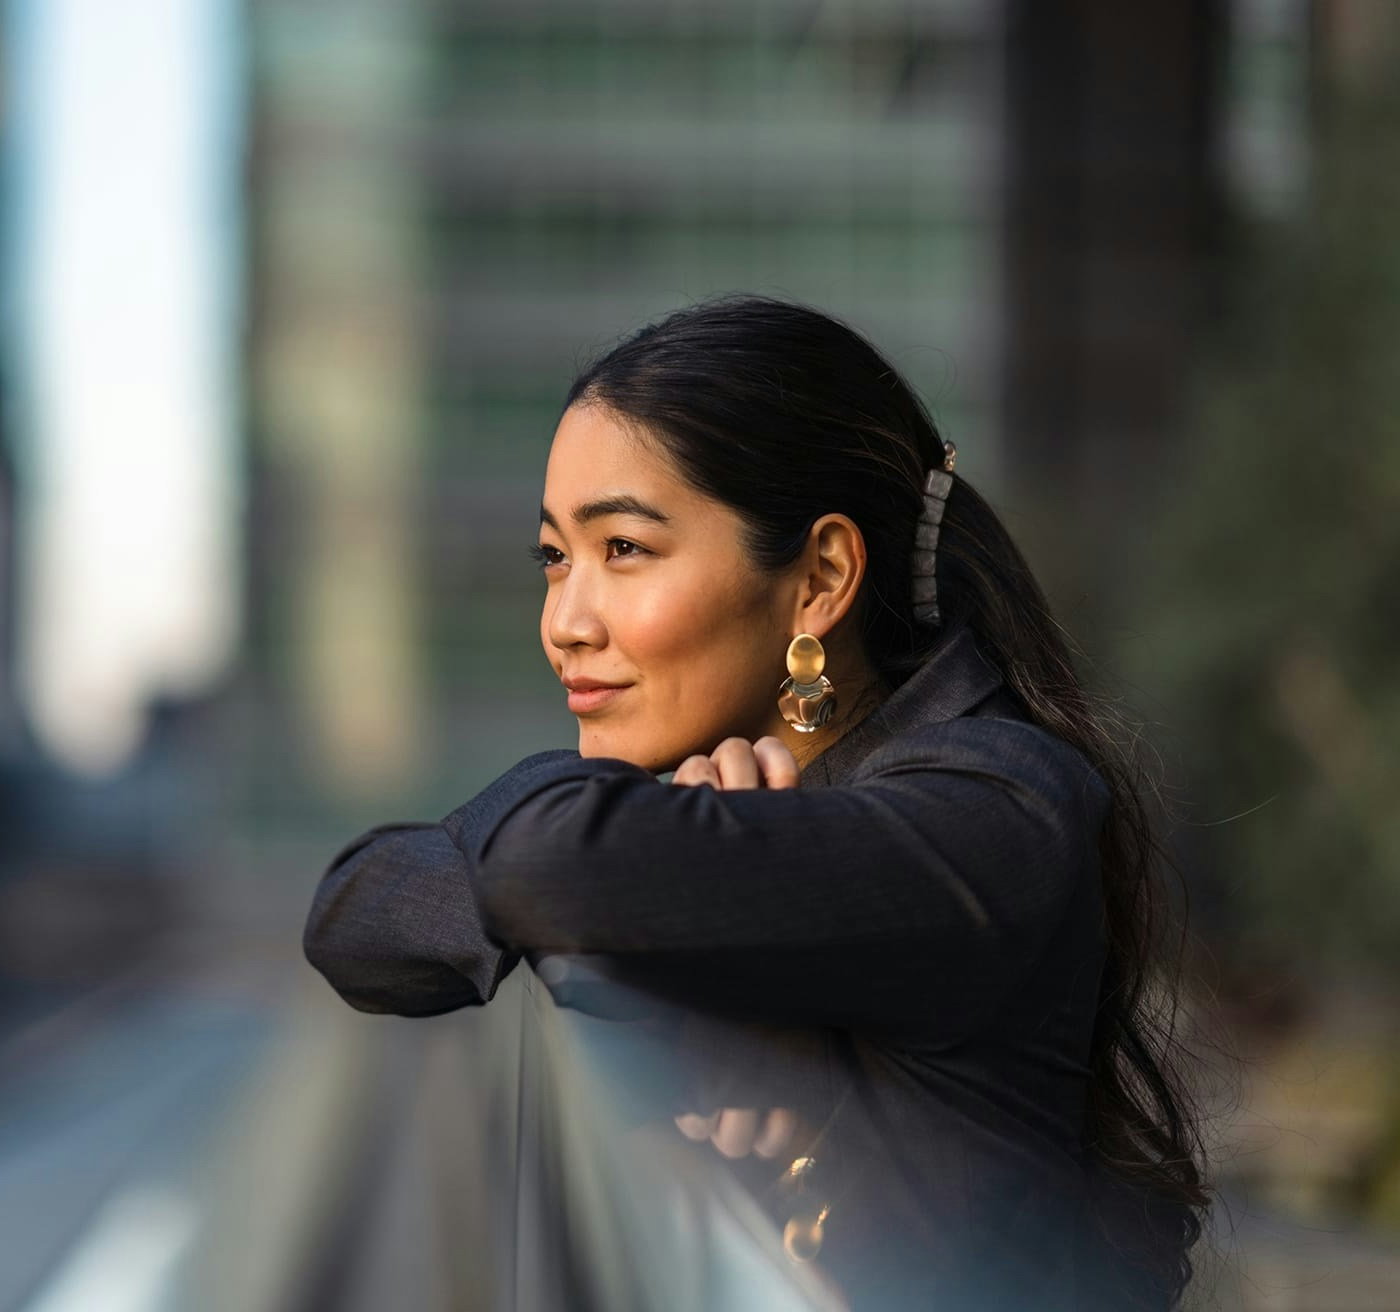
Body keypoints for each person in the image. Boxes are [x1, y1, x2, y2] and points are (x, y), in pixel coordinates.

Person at [301, 294, 1211, 1310]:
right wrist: (670, 871)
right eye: (555, 556)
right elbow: (354, 913)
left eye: (625, 551)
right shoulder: (695, 801)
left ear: (819, 577)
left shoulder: (999, 806)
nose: (564, 621)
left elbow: (544, 868)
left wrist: (638, 877)